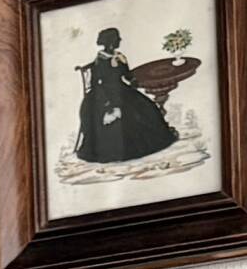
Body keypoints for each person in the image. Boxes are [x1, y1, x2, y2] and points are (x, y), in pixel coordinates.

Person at [72, 24, 185, 166]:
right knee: (127, 114)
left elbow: (127, 75)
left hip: (121, 89)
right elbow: (96, 82)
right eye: (118, 39)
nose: (120, 41)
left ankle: (158, 137)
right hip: (104, 94)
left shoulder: (119, 57)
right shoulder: (100, 60)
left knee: (146, 106)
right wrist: (108, 104)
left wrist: (133, 81)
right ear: (111, 42)